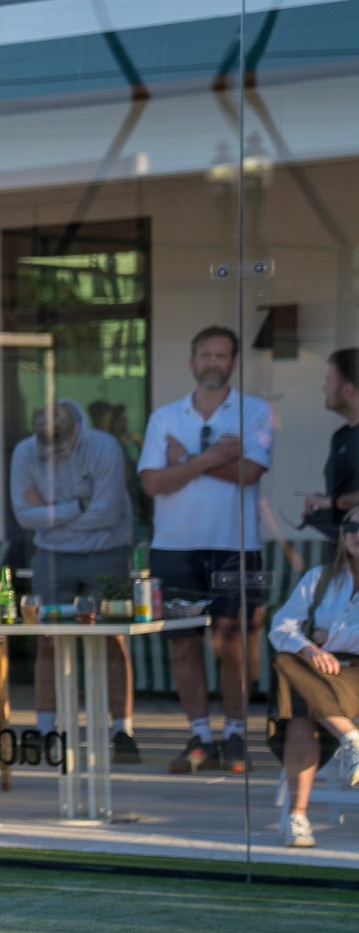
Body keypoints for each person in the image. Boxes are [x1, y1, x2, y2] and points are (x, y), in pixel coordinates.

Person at [137, 325, 273, 776]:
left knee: (235, 645)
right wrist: (215, 457)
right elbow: (153, 482)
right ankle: (199, 735)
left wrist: (185, 461)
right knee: (183, 645)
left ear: (233, 363)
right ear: (192, 362)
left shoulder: (256, 411)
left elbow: (251, 472)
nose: (213, 362)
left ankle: (235, 735)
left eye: (222, 356)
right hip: (174, 550)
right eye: (206, 355)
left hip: (238, 549)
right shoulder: (165, 417)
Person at [10, 399, 137, 761]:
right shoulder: (24, 452)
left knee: (114, 638)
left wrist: (48, 508)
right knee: (47, 637)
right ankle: (46, 729)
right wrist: (77, 507)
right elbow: (22, 516)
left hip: (107, 550)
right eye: (45, 447)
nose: (52, 454)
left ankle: (122, 731)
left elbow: (107, 513)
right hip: (51, 555)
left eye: (60, 447)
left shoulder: (104, 447)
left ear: (78, 428)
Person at [267, 517, 359, 848]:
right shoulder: (320, 578)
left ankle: (298, 817)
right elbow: (280, 627)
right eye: (351, 528)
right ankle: (351, 739)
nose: (357, 535)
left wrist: (329, 636)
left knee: (297, 697)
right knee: (287, 661)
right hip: (319, 667)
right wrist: (309, 646)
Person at [301, 348, 359, 539]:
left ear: (348, 389)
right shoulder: (341, 436)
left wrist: (332, 502)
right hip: (343, 549)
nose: (324, 388)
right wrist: (323, 509)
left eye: (329, 382)